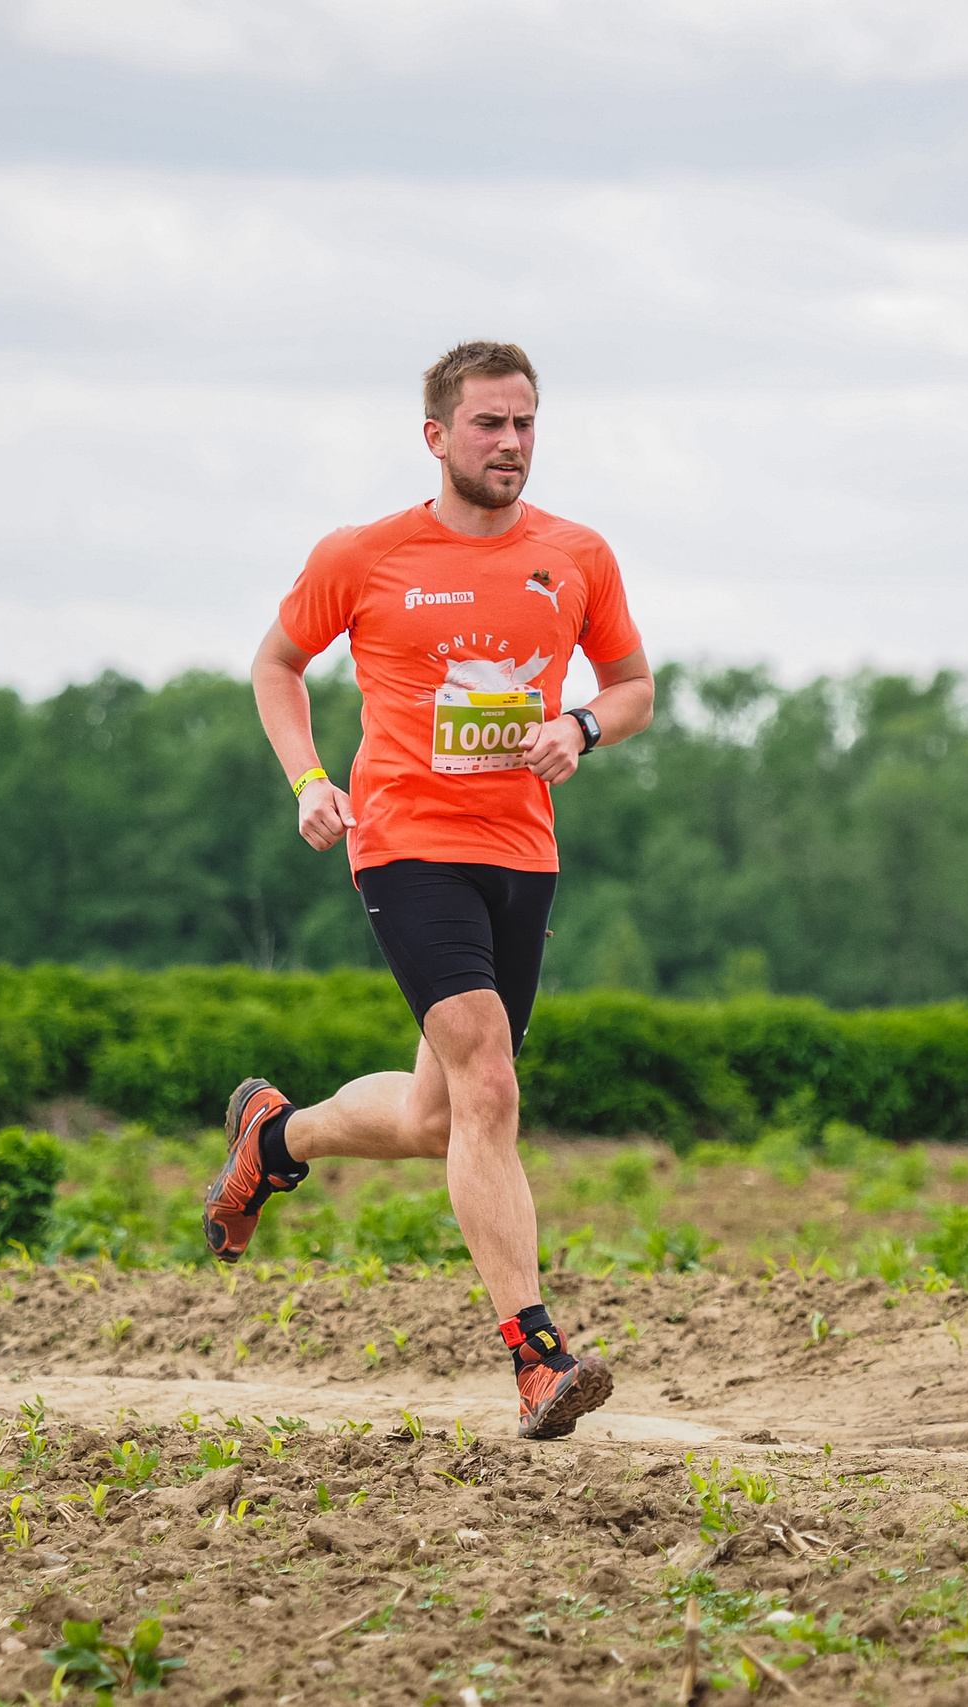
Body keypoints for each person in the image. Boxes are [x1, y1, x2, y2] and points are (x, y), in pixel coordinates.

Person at [204, 341, 655, 1441]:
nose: (511, 445)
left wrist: (579, 727)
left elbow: (633, 685)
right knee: (490, 1087)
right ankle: (537, 1359)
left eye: (526, 424)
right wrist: (309, 780)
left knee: (437, 1115)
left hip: (522, 850)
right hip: (403, 839)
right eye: (490, 424)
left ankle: (275, 1140)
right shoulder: (364, 556)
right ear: (437, 435)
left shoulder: (576, 555)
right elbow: (275, 664)